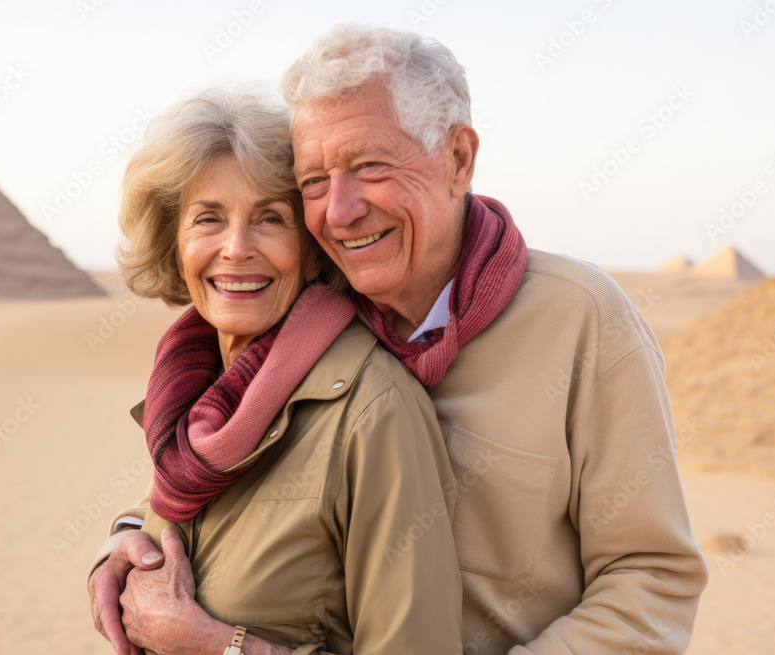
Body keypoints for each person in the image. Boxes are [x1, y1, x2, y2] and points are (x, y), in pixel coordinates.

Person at [91, 25, 710, 655]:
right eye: (313, 181)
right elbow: (232, 465)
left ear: (458, 161)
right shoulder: (308, 326)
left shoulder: (580, 319)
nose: (340, 211)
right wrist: (132, 533)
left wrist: (221, 648)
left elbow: (651, 576)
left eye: (370, 167)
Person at [89, 85, 463, 655]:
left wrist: (222, 648)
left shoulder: (375, 412)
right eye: (208, 219)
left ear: (313, 248)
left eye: (269, 219)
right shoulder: (197, 398)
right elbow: (178, 517)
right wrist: (121, 544)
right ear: (174, 242)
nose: (236, 249)